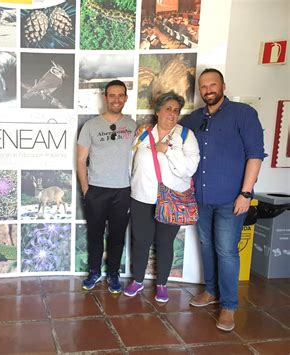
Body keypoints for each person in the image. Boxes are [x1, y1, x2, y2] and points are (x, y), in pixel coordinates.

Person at [180, 68, 265, 331]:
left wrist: (246, 193)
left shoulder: (243, 114)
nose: (208, 90)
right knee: (206, 244)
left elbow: (255, 155)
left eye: (212, 84)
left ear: (223, 86)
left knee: (226, 251)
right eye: (203, 86)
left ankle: (228, 306)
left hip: (232, 199)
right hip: (202, 198)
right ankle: (211, 291)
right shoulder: (194, 119)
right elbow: (174, 139)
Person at [124, 92, 200, 302]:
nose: (172, 114)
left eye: (176, 110)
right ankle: (138, 280)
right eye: (168, 109)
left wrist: (168, 150)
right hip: (141, 198)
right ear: (158, 111)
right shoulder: (143, 134)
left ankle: (162, 284)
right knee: (140, 241)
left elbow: (189, 169)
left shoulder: (186, 136)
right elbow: (130, 163)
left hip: (172, 199)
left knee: (165, 243)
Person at [77, 80, 137, 294]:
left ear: (126, 98)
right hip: (96, 190)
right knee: (95, 235)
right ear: (105, 97)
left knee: (117, 236)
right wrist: (87, 191)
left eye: (120, 95)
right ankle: (94, 271)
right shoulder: (91, 126)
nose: (116, 99)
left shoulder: (132, 125)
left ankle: (113, 273)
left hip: (123, 190)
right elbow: (81, 160)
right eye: (112, 95)